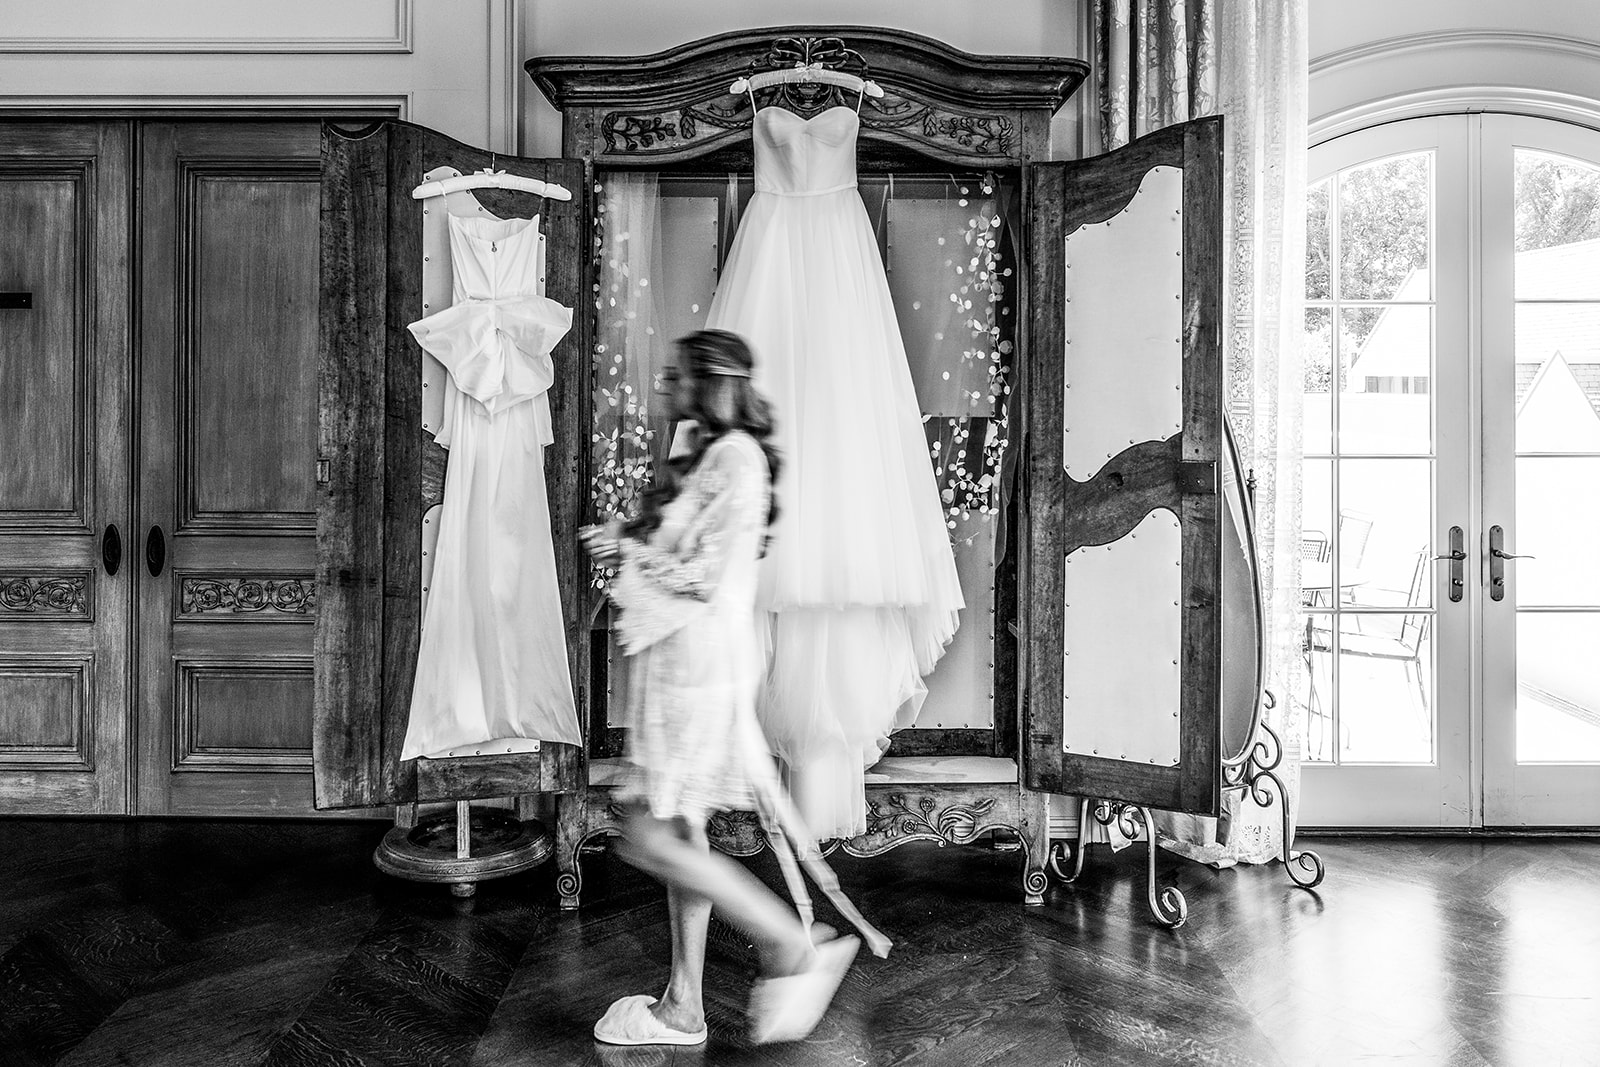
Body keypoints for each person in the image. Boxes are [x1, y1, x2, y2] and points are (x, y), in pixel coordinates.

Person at [581, 329, 890, 1048]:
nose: (665, 386)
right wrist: (631, 533)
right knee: (679, 830)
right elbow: (687, 550)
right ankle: (683, 1005)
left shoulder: (736, 457)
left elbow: (703, 576)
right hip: (682, 667)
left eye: (676, 376)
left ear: (707, 382)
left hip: (698, 675)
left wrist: (628, 547)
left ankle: (790, 941)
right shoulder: (717, 455)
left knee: (650, 834)